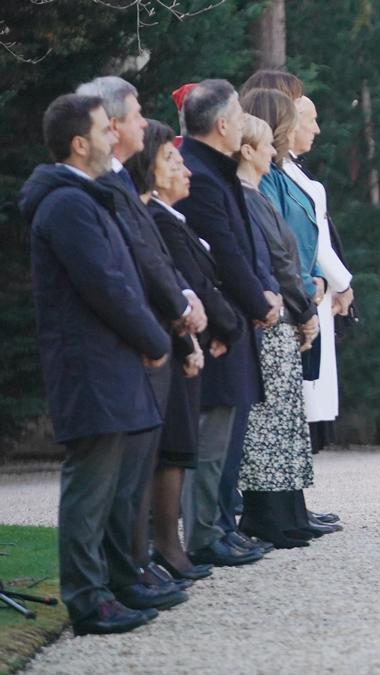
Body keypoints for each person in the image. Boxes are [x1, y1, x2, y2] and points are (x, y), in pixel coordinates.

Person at [21, 94, 171, 634]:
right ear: (79, 143)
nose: (115, 139)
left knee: (112, 487)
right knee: (90, 486)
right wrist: (155, 337)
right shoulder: (66, 205)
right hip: (89, 365)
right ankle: (87, 599)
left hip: (111, 360)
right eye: (106, 131)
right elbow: (105, 287)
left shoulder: (86, 196)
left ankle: (108, 586)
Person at [76, 76, 198, 607]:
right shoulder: (94, 191)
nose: (144, 124)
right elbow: (122, 273)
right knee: (113, 475)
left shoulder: (118, 183)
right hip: (129, 343)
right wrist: (169, 322)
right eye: (133, 116)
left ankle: (134, 568)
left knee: (135, 468)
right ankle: (109, 581)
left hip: (149, 337)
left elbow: (150, 259)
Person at [129, 119, 245, 580]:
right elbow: (189, 283)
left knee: (184, 448)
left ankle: (171, 548)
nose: (185, 171)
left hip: (189, 341)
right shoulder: (158, 218)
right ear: (150, 171)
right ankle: (163, 549)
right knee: (177, 450)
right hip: (172, 345)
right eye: (171, 161)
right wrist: (216, 325)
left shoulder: (170, 219)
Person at [176, 79, 280, 566]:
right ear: (221, 125)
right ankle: (203, 535)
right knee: (212, 438)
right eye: (238, 116)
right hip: (219, 323)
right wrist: (258, 302)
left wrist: (260, 298)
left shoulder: (214, 169)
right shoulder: (199, 175)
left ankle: (217, 526)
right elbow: (222, 254)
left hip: (234, 318)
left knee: (227, 433)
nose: (243, 123)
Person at [239, 95, 333, 546]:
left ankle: (288, 511)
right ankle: (270, 515)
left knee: (286, 421)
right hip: (274, 310)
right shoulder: (253, 193)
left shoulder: (263, 189)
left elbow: (289, 245)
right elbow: (277, 253)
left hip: (290, 302)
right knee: (271, 424)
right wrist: (301, 304)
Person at [285, 94, 355, 453]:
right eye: (309, 120)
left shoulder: (297, 170)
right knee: (302, 399)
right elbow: (307, 239)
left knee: (313, 398)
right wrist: (342, 282)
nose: (316, 128)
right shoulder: (283, 173)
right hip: (307, 286)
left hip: (319, 285)